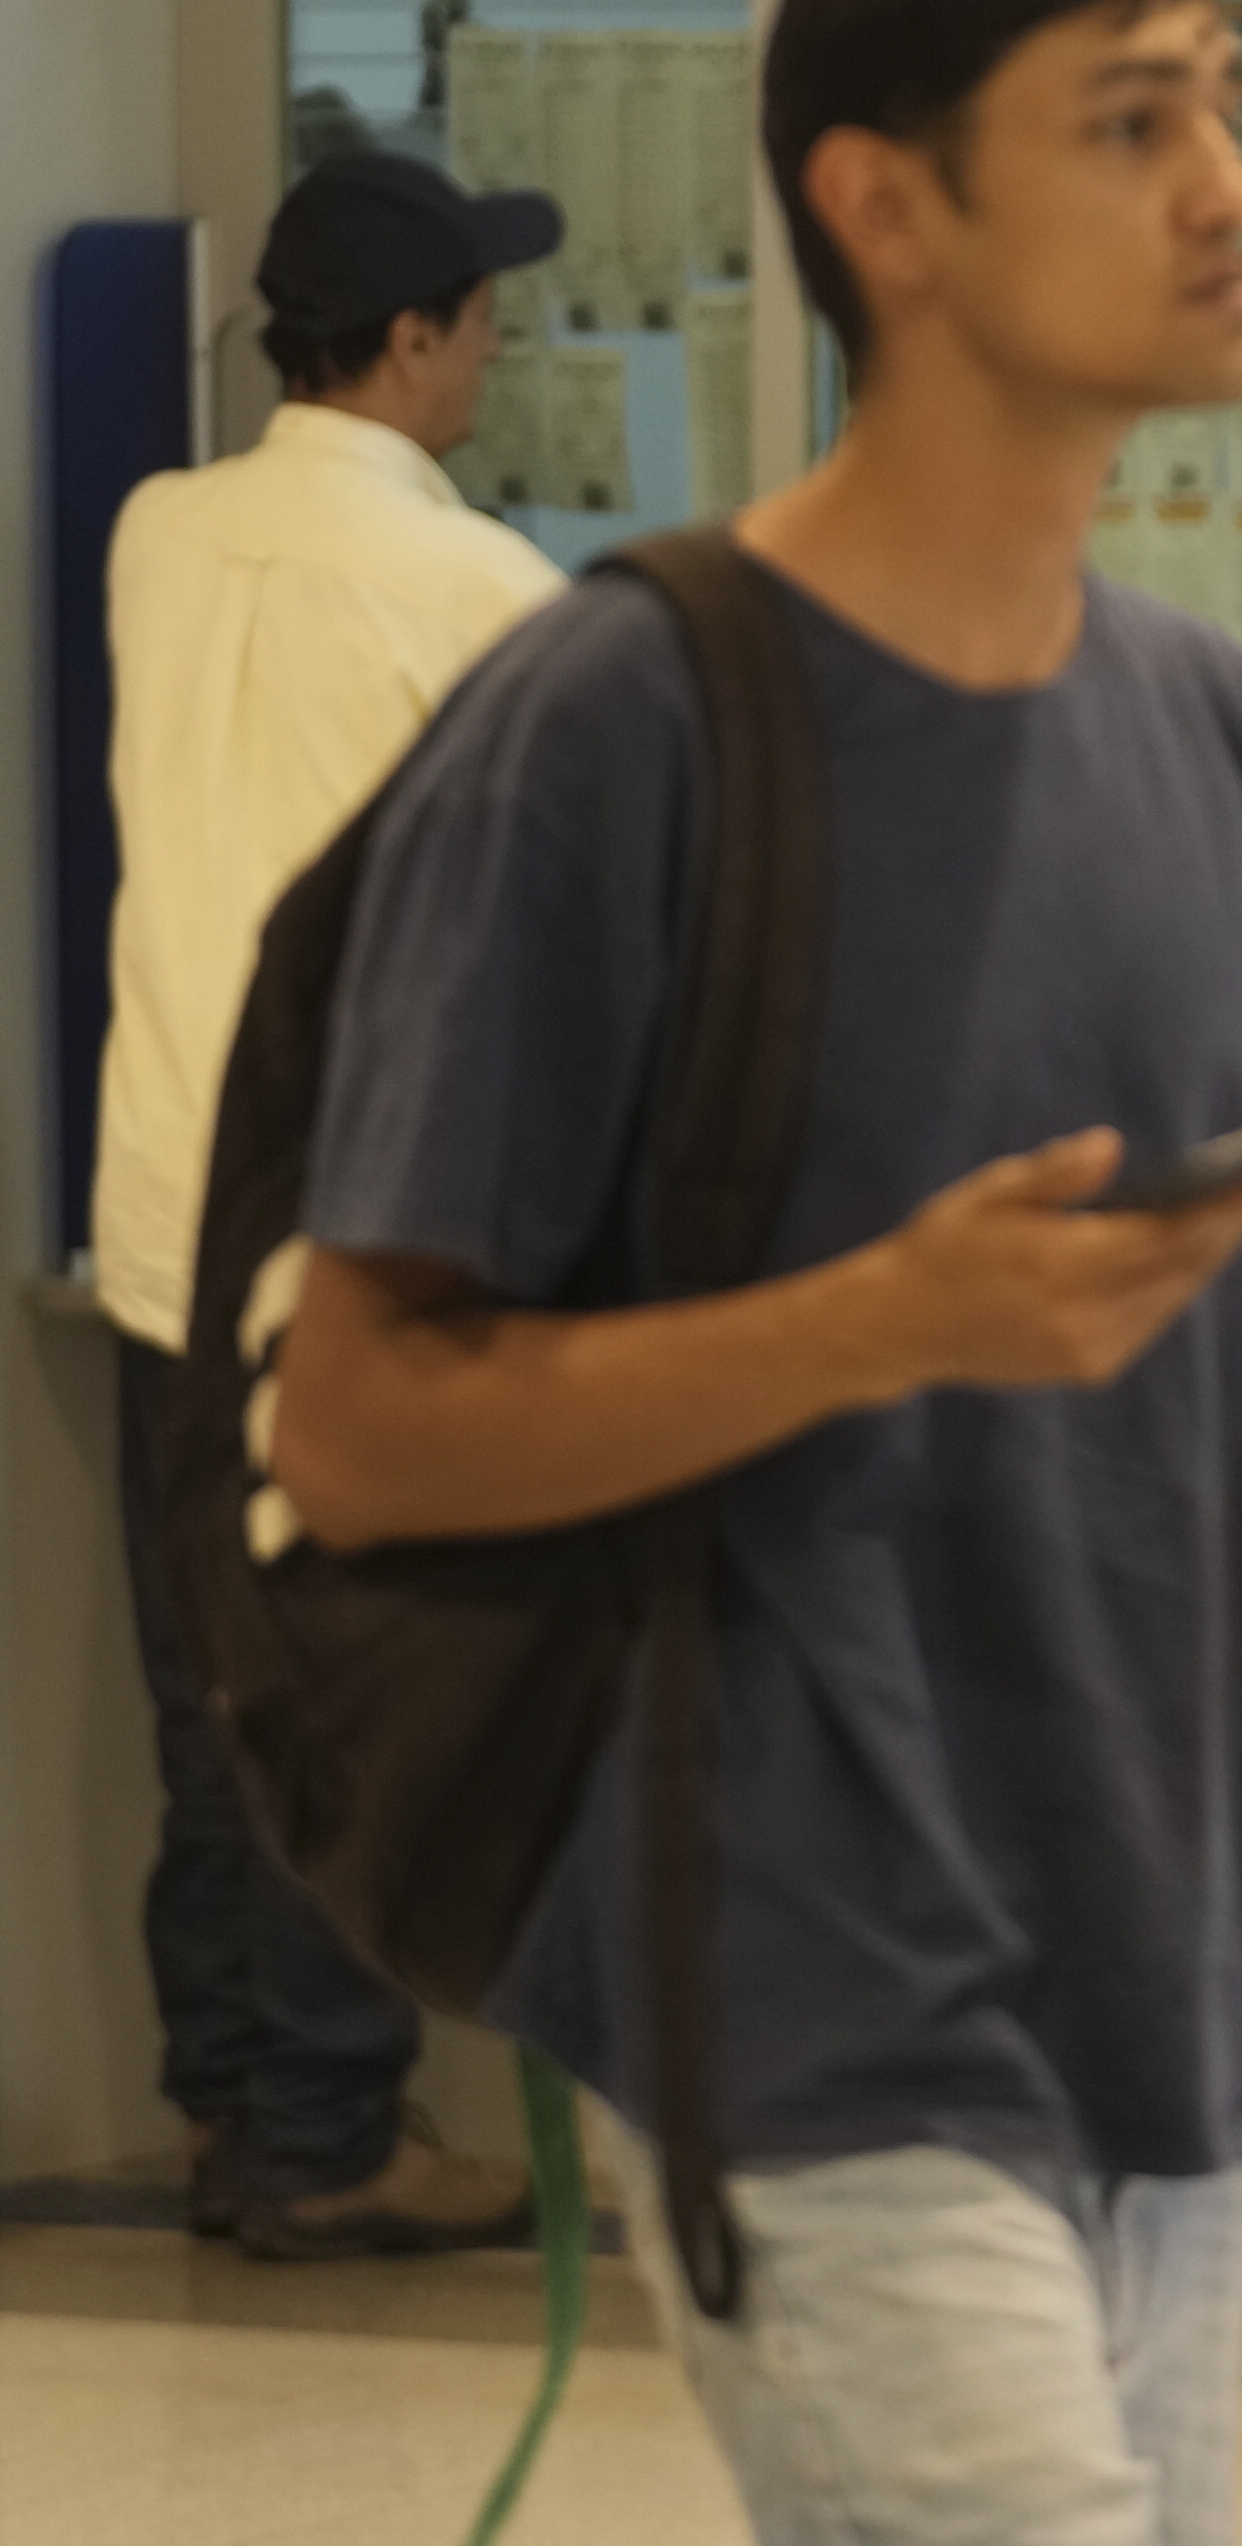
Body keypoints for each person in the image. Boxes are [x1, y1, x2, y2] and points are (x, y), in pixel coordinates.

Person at [259, 0, 1242, 2546]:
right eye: (1127, 122)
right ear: (887, 206)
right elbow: (363, 1422)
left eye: (1219, 101)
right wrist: (866, 1326)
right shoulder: (631, 714)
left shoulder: (1222, 742)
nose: (1224, 186)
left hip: (1167, 1972)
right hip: (791, 1964)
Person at [96, 149, 566, 2260]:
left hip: (158, 1214)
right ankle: (325, 2141)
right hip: (351, 1228)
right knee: (344, 1686)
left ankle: (231, 2106)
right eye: (480, 316)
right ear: (404, 343)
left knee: (209, 1678)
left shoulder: (159, 536)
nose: (497, 347)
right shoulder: (482, 592)